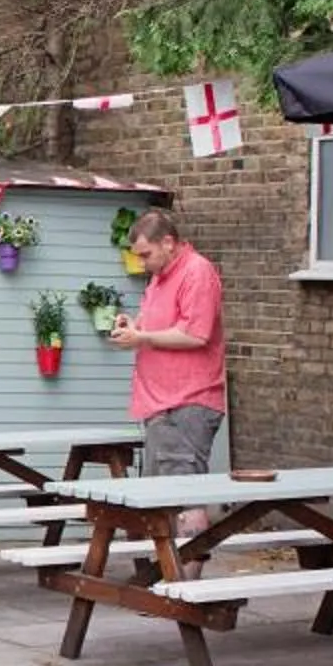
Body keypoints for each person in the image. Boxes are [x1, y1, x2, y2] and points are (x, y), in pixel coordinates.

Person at [109, 209, 226, 535]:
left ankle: (186, 585)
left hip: (186, 401)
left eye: (146, 255)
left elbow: (195, 334)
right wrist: (132, 327)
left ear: (169, 243)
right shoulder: (160, 277)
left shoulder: (196, 272)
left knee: (185, 497)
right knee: (163, 499)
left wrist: (142, 337)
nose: (143, 264)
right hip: (160, 402)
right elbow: (152, 325)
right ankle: (167, 580)